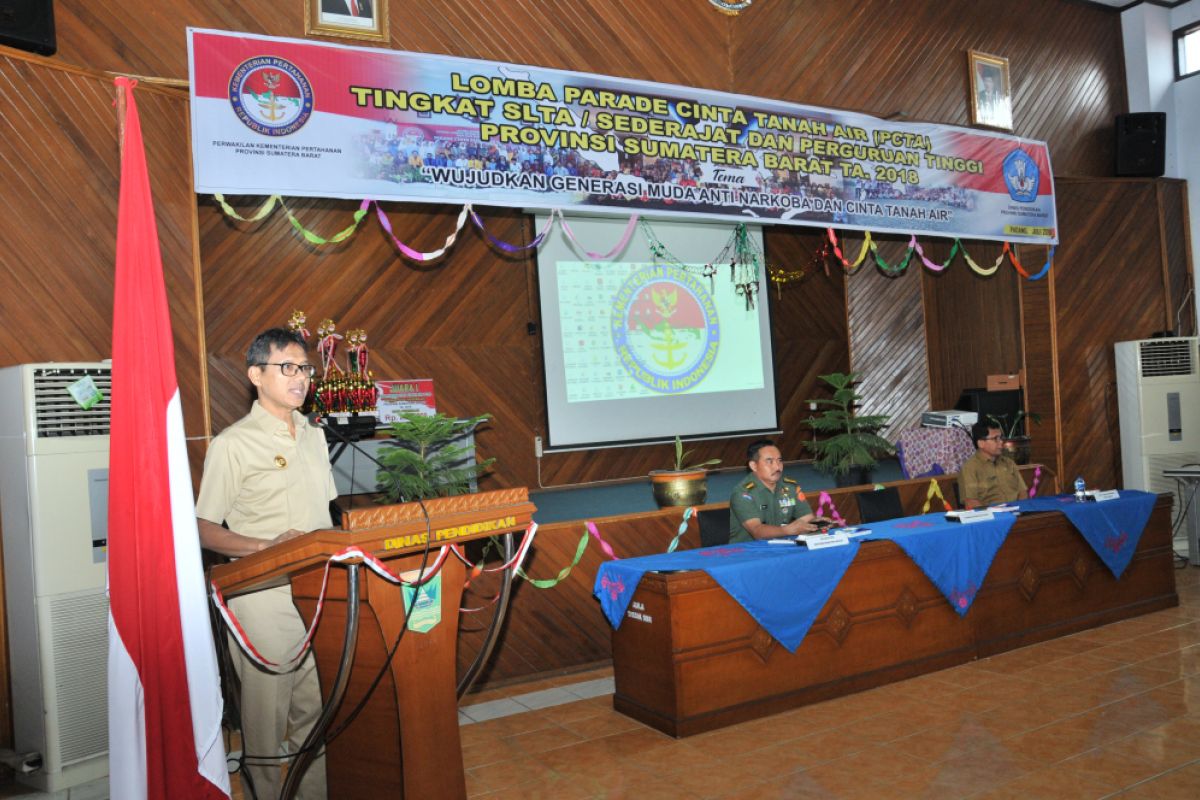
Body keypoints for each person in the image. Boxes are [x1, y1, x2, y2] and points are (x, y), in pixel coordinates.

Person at [195, 328, 337, 800]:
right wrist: (265, 547)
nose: (300, 379)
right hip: (261, 596)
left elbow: (325, 515)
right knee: (266, 724)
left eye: (306, 369)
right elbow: (201, 527)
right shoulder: (233, 444)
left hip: (317, 593)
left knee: (314, 716)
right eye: (288, 368)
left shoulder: (316, 437)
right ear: (257, 374)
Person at [728, 439, 828, 543]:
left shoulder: (790, 487)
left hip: (783, 544)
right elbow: (756, 531)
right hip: (748, 551)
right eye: (769, 461)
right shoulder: (743, 493)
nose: (777, 467)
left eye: (779, 461)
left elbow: (806, 518)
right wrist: (787, 530)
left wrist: (816, 523)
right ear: (754, 466)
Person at [958, 419, 1026, 509]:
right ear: (981, 443)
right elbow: (971, 503)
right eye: (995, 439)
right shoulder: (970, 468)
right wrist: (996, 513)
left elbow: (1023, 492)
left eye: (1001, 437)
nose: (1001, 442)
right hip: (991, 517)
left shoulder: (1009, 463)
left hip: (1017, 513)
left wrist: (1020, 509)